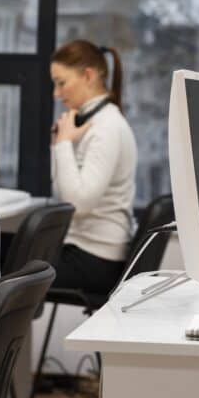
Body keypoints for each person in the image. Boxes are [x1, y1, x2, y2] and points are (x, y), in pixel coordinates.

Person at [49, 39, 137, 293]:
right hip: (89, 252)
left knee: (7, 269)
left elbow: (77, 206)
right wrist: (60, 144)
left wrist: (63, 145)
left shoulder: (105, 128)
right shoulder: (96, 124)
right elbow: (64, 196)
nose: (56, 94)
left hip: (95, 260)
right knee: (14, 256)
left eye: (61, 83)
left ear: (87, 76)